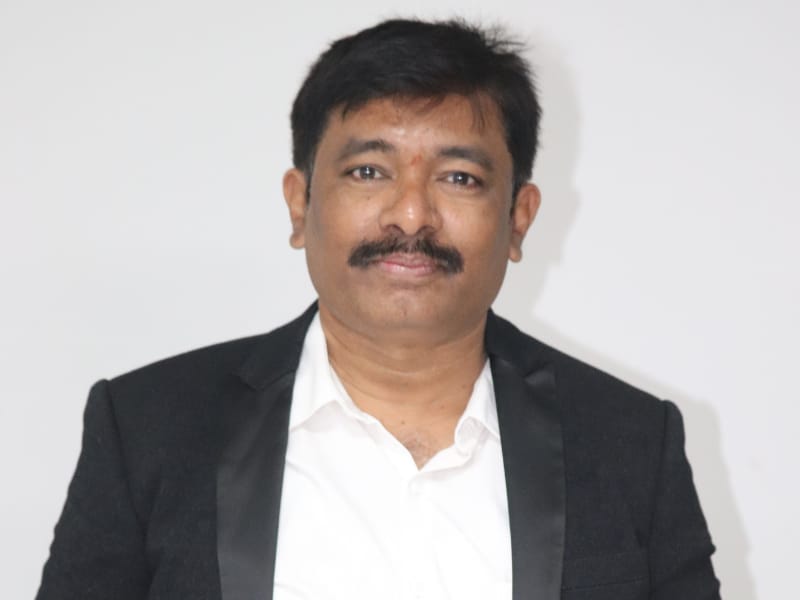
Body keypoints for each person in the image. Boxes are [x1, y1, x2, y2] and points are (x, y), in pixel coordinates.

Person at [36, 18, 721, 600]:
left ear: (519, 218)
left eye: (459, 177)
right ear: (300, 203)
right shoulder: (148, 429)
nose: (412, 214)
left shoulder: (631, 443)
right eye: (369, 171)